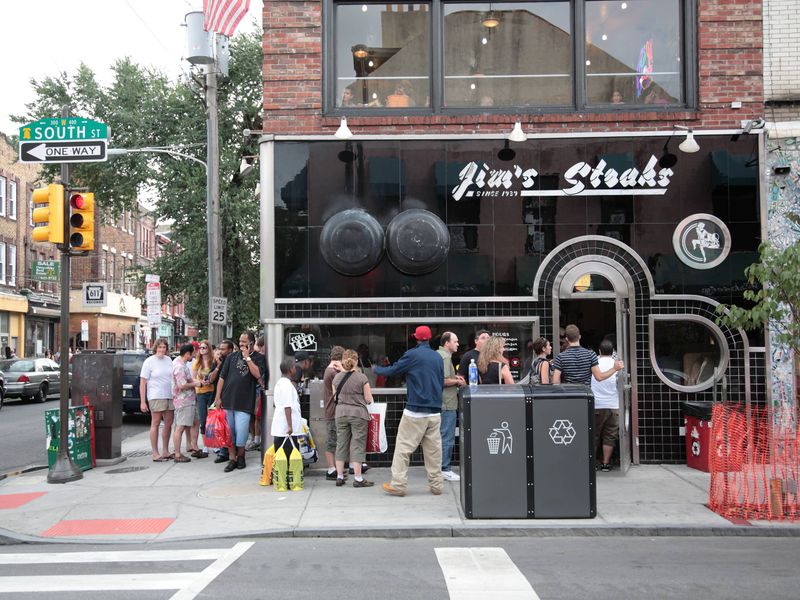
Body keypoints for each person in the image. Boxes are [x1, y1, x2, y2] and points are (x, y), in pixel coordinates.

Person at [375, 325, 444, 497]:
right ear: (428, 338)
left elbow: (393, 370)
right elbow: (440, 381)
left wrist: (376, 369)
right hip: (435, 412)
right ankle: (436, 486)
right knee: (433, 452)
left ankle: (398, 485)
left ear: (416, 338)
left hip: (415, 412)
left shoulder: (412, 354)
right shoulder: (437, 357)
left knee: (403, 449)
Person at [214, 331, 268, 472]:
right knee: (229, 431)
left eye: (244, 342)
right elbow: (222, 378)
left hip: (244, 401)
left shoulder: (258, 358)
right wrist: (218, 397)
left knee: (242, 430)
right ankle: (232, 459)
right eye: (240, 341)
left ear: (251, 343)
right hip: (228, 399)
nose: (241, 344)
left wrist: (247, 358)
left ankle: (241, 455)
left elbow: (257, 374)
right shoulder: (231, 357)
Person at [332, 349, 375, 487]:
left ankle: (339, 477)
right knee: (357, 445)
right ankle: (358, 478)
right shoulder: (362, 378)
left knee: (341, 444)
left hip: (341, 413)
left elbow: (335, 398)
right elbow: (368, 399)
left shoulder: (336, 378)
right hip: (358, 415)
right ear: (356, 361)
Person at [139, 338, 175, 462]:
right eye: (160, 347)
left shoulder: (169, 360)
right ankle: (155, 453)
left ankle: (165, 451)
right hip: (155, 395)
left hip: (169, 395)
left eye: (164, 347)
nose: (162, 350)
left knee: (168, 424)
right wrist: (143, 401)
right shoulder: (149, 361)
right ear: (155, 348)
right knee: (155, 423)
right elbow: (142, 382)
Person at [552, 324, 623, 386]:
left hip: (569, 395)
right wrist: (614, 368)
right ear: (579, 337)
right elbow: (599, 377)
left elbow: (555, 381)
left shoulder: (560, 357)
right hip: (586, 395)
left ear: (566, 339)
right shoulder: (590, 354)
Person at [438, 331, 465, 482]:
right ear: (447, 343)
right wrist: (457, 382)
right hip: (447, 403)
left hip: (442, 402)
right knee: (447, 437)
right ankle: (445, 469)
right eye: (455, 341)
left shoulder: (438, 355)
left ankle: (441, 467)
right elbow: (442, 380)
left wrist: (454, 377)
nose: (458, 344)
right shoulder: (445, 357)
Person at [591, 339, 620, 472]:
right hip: (613, 405)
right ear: (613, 351)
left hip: (597, 404)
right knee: (610, 435)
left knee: (594, 434)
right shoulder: (617, 364)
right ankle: (605, 464)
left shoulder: (594, 362)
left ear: (600, 351)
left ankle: (592, 462)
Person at [171, 343, 201, 463]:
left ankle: (194, 447)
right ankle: (177, 454)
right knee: (180, 427)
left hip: (189, 400)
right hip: (183, 401)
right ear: (187, 354)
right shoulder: (179, 366)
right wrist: (196, 384)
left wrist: (196, 381)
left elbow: (187, 380)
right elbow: (182, 385)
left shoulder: (181, 363)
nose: (194, 355)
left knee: (195, 422)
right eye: (193, 353)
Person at [271, 357, 303, 460]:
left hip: (282, 428)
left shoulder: (280, 383)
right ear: (290, 369)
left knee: (282, 457)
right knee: (288, 457)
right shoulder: (287, 386)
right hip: (287, 429)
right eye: (294, 367)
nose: (295, 369)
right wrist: (289, 426)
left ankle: (282, 475)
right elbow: (287, 406)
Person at [209, 339, 236, 463]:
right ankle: (223, 451)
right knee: (220, 427)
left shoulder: (234, 361)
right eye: (219, 349)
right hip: (218, 397)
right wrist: (218, 366)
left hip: (231, 399)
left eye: (223, 349)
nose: (220, 351)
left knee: (229, 427)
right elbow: (210, 379)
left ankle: (231, 452)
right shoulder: (218, 362)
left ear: (230, 350)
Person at [322, 345, 345, 480]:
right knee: (332, 441)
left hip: (332, 410)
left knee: (335, 440)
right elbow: (342, 385)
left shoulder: (329, 371)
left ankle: (334, 468)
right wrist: (342, 370)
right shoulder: (333, 372)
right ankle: (331, 469)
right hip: (333, 411)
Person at [192, 339, 215, 453]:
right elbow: (194, 378)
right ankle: (206, 444)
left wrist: (210, 381)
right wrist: (200, 382)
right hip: (201, 392)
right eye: (201, 348)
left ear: (209, 349)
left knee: (213, 418)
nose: (202, 350)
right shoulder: (197, 362)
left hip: (212, 391)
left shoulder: (213, 361)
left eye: (205, 347)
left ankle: (215, 444)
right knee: (203, 418)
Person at [246, 336, 268, 452]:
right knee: (254, 415)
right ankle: (256, 439)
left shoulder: (263, 357)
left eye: (261, 346)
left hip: (260, 390)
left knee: (258, 416)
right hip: (256, 389)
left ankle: (257, 439)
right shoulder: (258, 357)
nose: (261, 349)